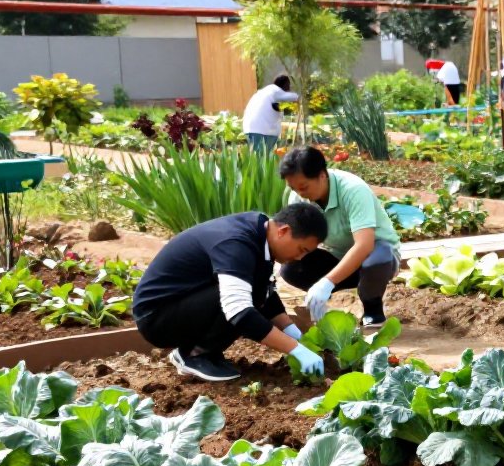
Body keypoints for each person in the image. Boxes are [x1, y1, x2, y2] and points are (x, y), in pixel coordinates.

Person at [131, 204, 328, 383]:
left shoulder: (260, 232)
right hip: (157, 317)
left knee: (254, 289)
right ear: (283, 231)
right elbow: (238, 309)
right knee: (241, 299)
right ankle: (194, 354)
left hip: (181, 304)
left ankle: (206, 352)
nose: (300, 257)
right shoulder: (236, 243)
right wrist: (295, 349)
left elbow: (265, 293)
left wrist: (293, 334)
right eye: (301, 249)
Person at [277, 146, 402, 327]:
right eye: (293, 188)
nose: (300, 194)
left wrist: (326, 283)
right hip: (338, 256)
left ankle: (372, 306)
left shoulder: (353, 190)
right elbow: (296, 241)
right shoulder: (298, 198)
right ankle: (320, 306)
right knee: (291, 268)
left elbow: (364, 245)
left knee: (378, 259)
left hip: (377, 257)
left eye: (303, 187)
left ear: (322, 175)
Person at [242, 75, 298, 154]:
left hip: (252, 129)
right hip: (262, 131)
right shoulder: (274, 90)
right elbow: (291, 97)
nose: (289, 88)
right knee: (262, 159)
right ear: (285, 84)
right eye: (288, 85)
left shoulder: (265, 93)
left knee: (258, 158)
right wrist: (301, 97)